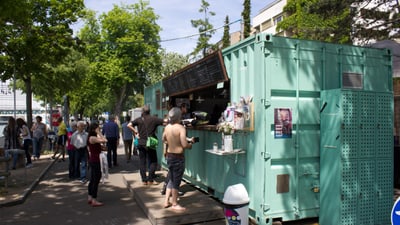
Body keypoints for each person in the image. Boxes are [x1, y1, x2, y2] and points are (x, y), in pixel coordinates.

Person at [162, 107, 195, 211]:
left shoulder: (167, 127)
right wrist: (191, 143)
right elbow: (184, 145)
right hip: (178, 158)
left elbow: (164, 139)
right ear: (179, 116)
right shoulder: (181, 128)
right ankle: (175, 204)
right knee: (176, 181)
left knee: (171, 179)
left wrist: (172, 142)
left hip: (170, 156)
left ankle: (166, 201)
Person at [128, 105, 167, 185]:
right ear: (150, 111)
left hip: (141, 143)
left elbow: (129, 125)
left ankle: (144, 180)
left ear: (142, 111)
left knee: (142, 162)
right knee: (153, 161)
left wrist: (135, 132)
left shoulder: (139, 120)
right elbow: (165, 121)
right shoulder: (154, 119)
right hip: (150, 143)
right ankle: (150, 179)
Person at [87, 122, 107, 207]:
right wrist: (99, 133)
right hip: (96, 160)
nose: (99, 130)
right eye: (98, 128)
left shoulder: (91, 137)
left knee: (92, 179)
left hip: (93, 159)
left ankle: (90, 196)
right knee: (96, 179)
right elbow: (105, 140)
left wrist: (101, 147)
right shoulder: (93, 137)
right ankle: (94, 199)